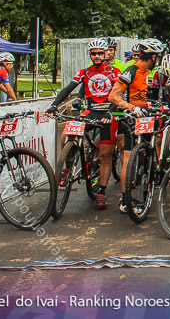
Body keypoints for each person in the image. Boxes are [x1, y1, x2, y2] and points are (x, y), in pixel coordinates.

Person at [47, 37, 122, 209]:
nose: (96, 56)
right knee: (67, 132)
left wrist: (110, 112)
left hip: (108, 113)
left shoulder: (115, 72)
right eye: (93, 53)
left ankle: (102, 192)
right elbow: (67, 89)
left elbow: (118, 95)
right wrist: (53, 105)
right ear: (90, 54)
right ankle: (67, 165)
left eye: (100, 53)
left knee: (105, 155)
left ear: (105, 54)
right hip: (91, 111)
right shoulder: (84, 72)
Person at [107, 38, 165, 213]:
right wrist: (131, 107)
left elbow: (145, 97)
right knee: (127, 159)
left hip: (145, 118)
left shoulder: (148, 72)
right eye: (158, 57)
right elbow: (113, 96)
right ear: (153, 57)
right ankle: (125, 200)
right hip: (131, 119)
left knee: (146, 153)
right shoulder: (132, 70)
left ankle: (143, 181)